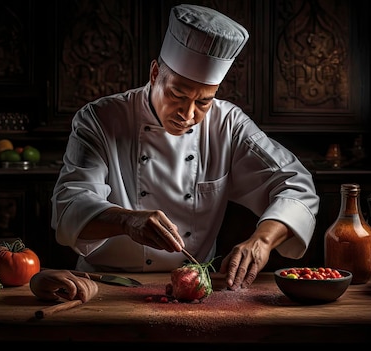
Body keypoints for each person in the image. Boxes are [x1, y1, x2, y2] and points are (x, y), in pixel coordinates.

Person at [49, 4, 320, 291]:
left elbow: (297, 185)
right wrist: (127, 221)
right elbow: (69, 206)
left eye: (203, 102)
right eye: (177, 94)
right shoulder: (101, 118)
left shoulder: (228, 124)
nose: (188, 114)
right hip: (105, 285)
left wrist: (262, 240)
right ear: (155, 74)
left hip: (193, 287)